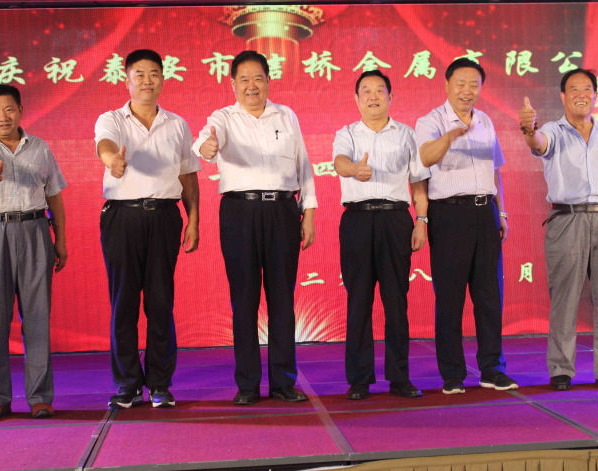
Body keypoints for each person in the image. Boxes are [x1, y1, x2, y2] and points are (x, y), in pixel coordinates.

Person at [192, 50, 317, 405]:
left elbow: (304, 165)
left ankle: (283, 381)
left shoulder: (286, 116)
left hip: (282, 210)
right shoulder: (223, 117)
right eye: (244, 79)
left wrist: (308, 212)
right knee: (244, 299)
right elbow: (203, 142)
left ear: (268, 81)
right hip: (240, 212)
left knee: (282, 298)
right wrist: (207, 146)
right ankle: (247, 384)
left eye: (258, 78)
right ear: (232, 83)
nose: (251, 86)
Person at [519, 68, 598, 391]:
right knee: (564, 298)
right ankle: (561, 369)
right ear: (563, 96)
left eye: (587, 89)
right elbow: (538, 143)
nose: (581, 94)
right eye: (573, 89)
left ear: (596, 95)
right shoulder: (551, 130)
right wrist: (528, 128)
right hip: (567, 219)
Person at [95, 49, 201, 409]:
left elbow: (188, 175)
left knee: (160, 302)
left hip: (164, 217)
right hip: (121, 217)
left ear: (163, 79)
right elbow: (105, 145)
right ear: (126, 80)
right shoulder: (112, 119)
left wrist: (194, 219)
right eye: (139, 74)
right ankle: (127, 384)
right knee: (123, 302)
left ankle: (159, 384)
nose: (146, 81)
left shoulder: (177, 124)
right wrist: (113, 161)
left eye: (154, 73)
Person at [0, 84, 67, 421]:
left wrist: (61, 239)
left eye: (9, 109)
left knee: (37, 317)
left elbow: (54, 194)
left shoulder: (39, 147)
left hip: (35, 230)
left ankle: (40, 397)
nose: (3, 117)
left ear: (21, 111)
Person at [415, 58, 517, 395]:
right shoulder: (430, 121)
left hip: (485, 212)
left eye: (474, 84)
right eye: (460, 83)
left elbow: (495, 169)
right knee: (450, 298)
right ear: (446, 85)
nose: (467, 90)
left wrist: (501, 212)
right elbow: (425, 158)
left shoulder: (485, 120)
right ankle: (453, 373)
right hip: (449, 215)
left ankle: (492, 369)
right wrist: (449, 136)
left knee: (490, 296)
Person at [333, 70, 429, 400]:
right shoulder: (347, 133)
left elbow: (418, 183)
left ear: (390, 96)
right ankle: (360, 379)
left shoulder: (407, 134)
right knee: (358, 301)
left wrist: (421, 221)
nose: (373, 96)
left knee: (396, 302)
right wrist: (354, 169)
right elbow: (340, 162)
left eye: (379, 90)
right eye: (366, 91)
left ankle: (400, 377)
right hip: (357, 221)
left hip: (395, 220)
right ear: (356, 99)